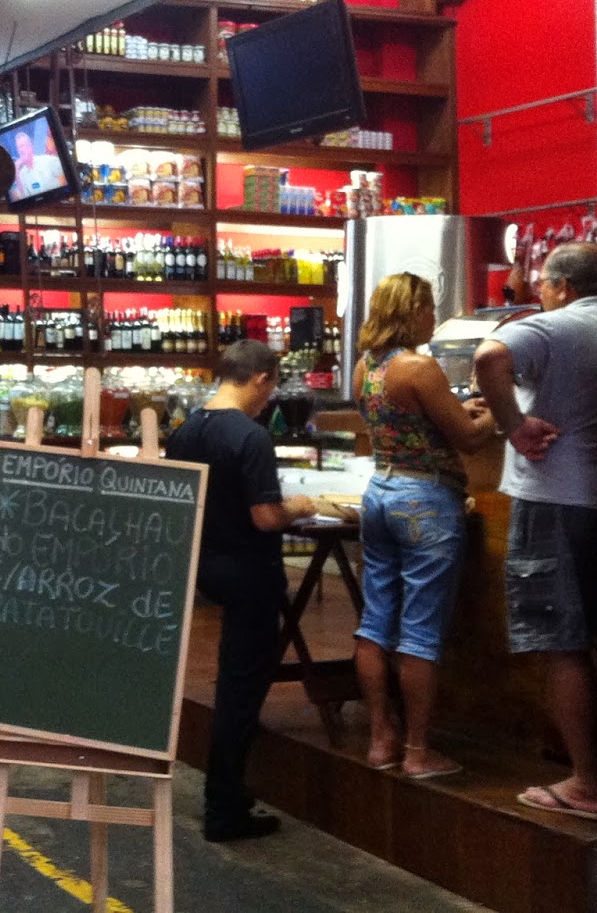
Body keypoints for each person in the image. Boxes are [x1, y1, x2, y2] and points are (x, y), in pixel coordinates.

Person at [474, 241, 597, 821]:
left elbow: (487, 356)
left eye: (543, 286)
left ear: (563, 286)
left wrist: (514, 425)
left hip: (553, 498)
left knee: (561, 643)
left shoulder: (555, 325)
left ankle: (587, 785)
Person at [165, 340, 315, 842]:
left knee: (232, 684)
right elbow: (266, 516)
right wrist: (302, 505)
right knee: (240, 691)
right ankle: (224, 806)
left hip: (202, 564)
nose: (268, 400)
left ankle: (228, 793)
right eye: (270, 388)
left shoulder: (186, 430)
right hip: (249, 571)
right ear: (261, 379)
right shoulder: (249, 437)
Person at [352, 273, 496, 778]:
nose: (433, 317)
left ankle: (380, 738)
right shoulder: (420, 367)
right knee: (420, 631)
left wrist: (463, 413)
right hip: (426, 500)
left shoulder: (365, 368)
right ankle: (417, 752)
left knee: (374, 622)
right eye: (428, 307)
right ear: (409, 312)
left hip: (380, 492)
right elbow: (468, 439)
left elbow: (412, 422)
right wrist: (493, 412)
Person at [6, 124, 66, 202]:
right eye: (18, 147)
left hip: (56, 204)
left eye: (23, 146)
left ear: (30, 146)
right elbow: (23, 200)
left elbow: (68, 175)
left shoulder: (48, 161)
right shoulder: (21, 174)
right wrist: (16, 172)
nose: (20, 150)